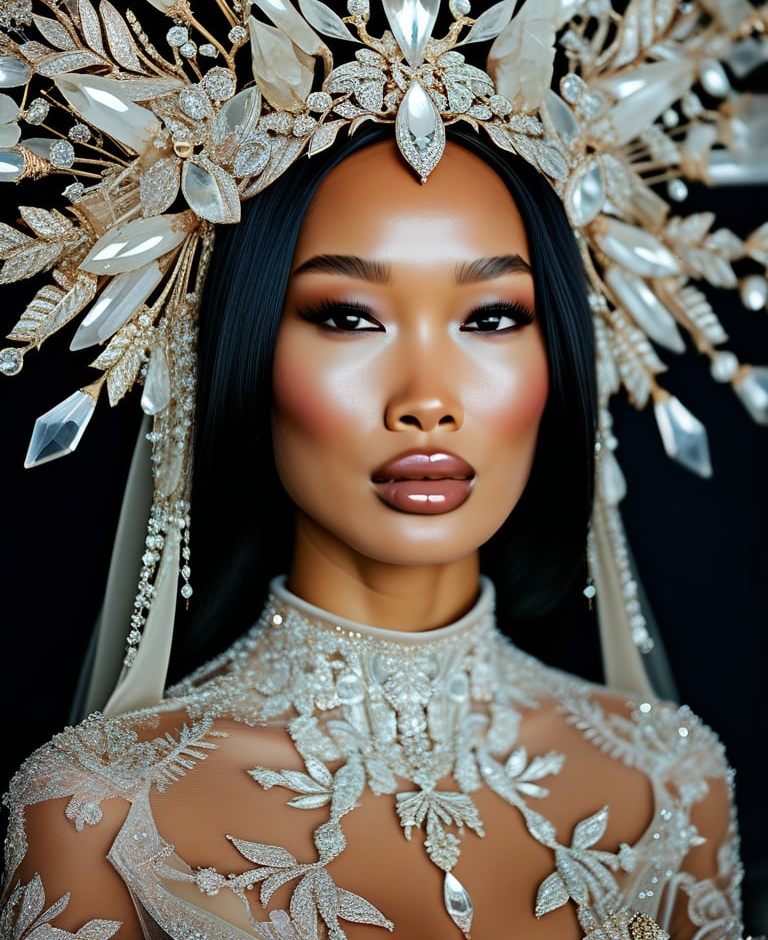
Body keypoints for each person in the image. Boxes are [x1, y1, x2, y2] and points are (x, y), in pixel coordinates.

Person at [0, 128, 743, 938]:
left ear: (559, 356)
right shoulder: (100, 811)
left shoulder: (670, 781)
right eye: (350, 317)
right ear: (246, 346)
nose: (427, 400)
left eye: (491, 317)